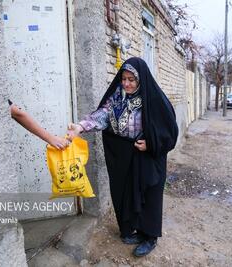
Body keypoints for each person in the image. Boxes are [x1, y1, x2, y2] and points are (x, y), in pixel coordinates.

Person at [67, 57, 178, 257]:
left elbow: (169, 130)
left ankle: (150, 236)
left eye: (131, 80)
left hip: (148, 158)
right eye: (123, 79)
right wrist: (81, 126)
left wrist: (151, 144)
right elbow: (102, 115)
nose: (126, 83)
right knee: (126, 193)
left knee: (149, 196)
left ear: (141, 80)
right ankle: (133, 229)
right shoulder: (117, 97)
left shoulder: (152, 99)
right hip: (124, 154)